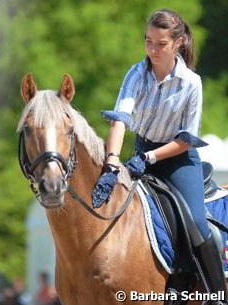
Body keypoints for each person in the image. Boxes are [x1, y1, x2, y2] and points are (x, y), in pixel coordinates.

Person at [92, 8, 227, 304]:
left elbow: (186, 139)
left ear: (177, 43)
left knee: (196, 220)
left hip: (178, 157)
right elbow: (120, 119)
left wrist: (150, 159)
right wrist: (113, 160)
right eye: (148, 41)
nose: (152, 50)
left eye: (160, 44)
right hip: (140, 150)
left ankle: (217, 294)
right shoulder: (136, 73)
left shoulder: (192, 83)